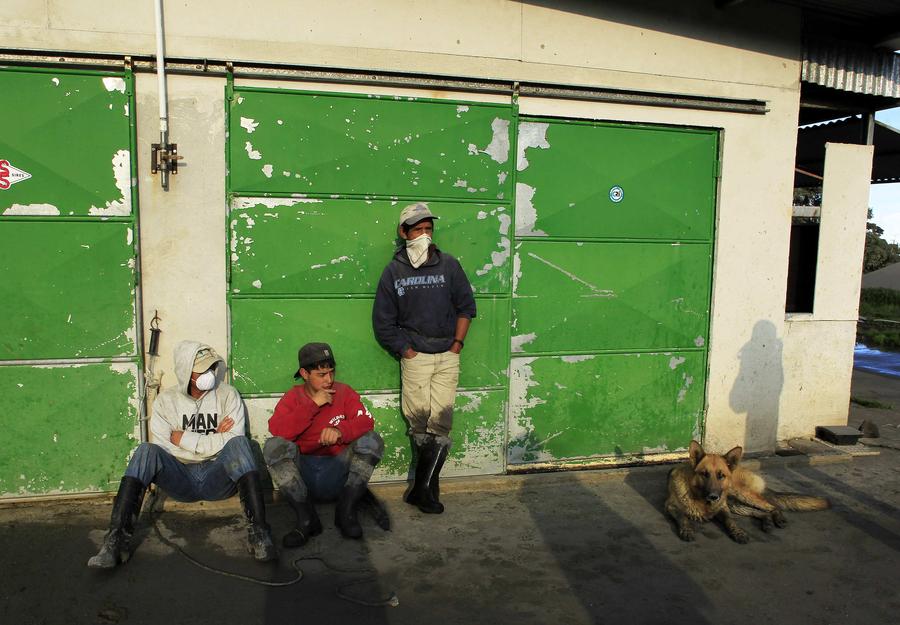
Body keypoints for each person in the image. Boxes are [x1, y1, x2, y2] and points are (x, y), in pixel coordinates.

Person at [88, 340, 276, 568]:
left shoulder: (228, 395)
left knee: (239, 444)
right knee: (146, 450)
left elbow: (231, 438)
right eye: (203, 370)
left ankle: (259, 535)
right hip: (181, 477)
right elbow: (167, 447)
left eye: (211, 368)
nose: (210, 373)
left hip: (218, 476)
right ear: (186, 371)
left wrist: (186, 438)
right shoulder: (165, 402)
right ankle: (115, 541)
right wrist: (214, 438)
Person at [372, 202, 476, 514]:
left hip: (447, 355)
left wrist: (456, 344)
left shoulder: (449, 266)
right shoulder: (394, 271)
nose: (424, 235)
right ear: (403, 233)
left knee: (441, 423)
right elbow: (383, 323)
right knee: (419, 423)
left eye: (428, 229)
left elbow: (466, 308)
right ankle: (426, 488)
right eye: (418, 229)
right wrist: (406, 350)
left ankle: (423, 489)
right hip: (415, 358)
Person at [264, 342, 386, 544]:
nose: (328, 380)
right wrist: (313, 405)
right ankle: (306, 519)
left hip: (338, 473)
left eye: (331, 372)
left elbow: (366, 421)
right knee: (273, 446)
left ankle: (345, 512)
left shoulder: (344, 392)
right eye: (321, 375)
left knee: (372, 440)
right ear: (304, 373)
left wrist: (340, 431)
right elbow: (278, 430)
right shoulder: (293, 397)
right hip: (305, 477)